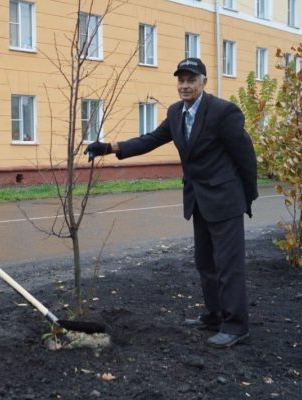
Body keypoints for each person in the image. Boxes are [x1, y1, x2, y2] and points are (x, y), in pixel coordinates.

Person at [85, 57, 258, 349]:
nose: (185, 85)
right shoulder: (176, 113)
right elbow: (152, 138)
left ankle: (236, 325)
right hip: (198, 199)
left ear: (204, 81)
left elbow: (245, 156)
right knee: (205, 262)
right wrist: (109, 147)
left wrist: (247, 196)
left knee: (229, 266)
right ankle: (214, 316)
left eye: (191, 79)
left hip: (225, 199)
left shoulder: (223, 112)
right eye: (181, 80)